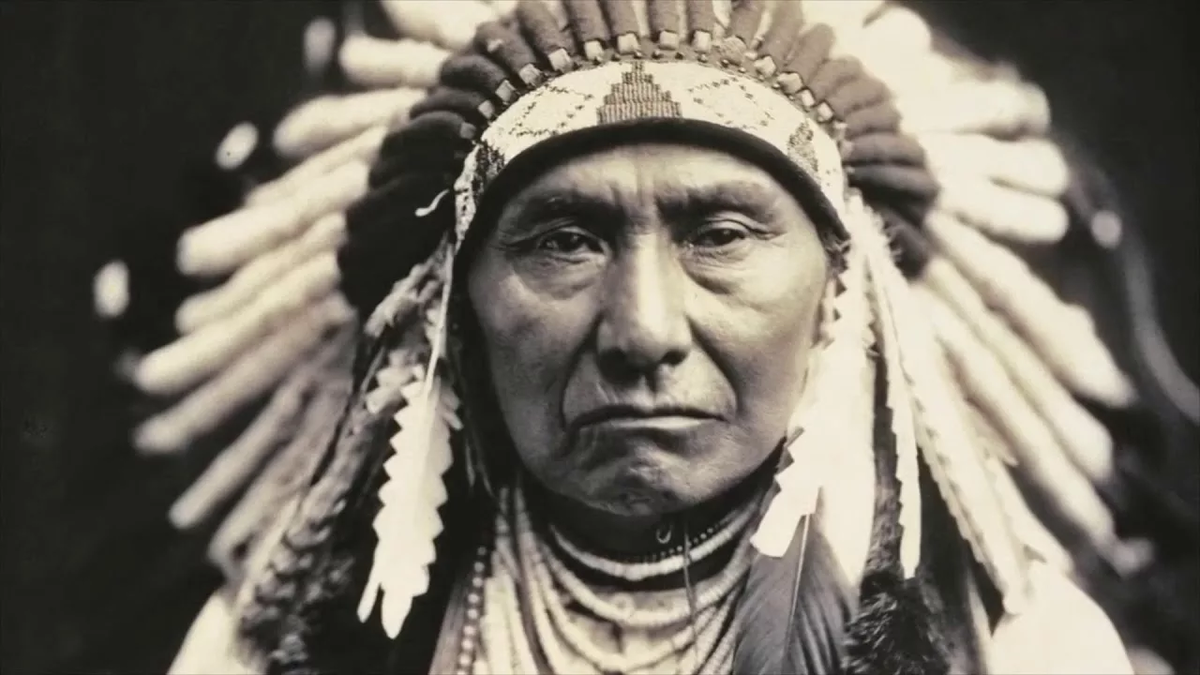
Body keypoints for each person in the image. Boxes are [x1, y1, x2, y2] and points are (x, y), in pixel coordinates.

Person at [139, 1, 1144, 673]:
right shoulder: (270, 655)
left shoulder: (1021, 653)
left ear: (841, 294)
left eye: (720, 234)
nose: (643, 329)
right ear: (453, 308)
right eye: (563, 241)